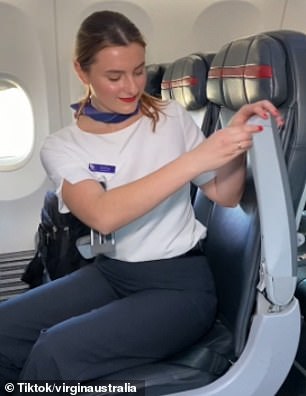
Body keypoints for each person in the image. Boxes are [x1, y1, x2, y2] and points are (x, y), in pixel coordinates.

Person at [0, 10, 284, 386]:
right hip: (112, 273)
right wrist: (195, 159)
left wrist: (234, 139)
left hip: (180, 287)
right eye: (114, 76)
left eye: (138, 70)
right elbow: (102, 215)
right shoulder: (61, 146)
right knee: (5, 328)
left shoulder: (171, 118)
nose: (131, 87)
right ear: (82, 72)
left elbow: (225, 194)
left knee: (54, 353)